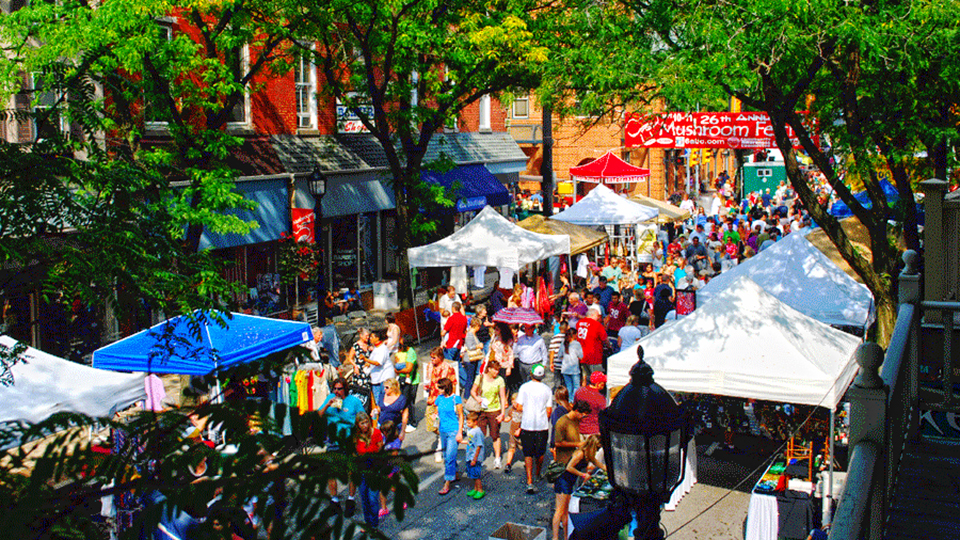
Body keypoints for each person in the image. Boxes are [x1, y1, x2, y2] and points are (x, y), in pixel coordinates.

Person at [318, 377, 364, 517]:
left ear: (345, 389)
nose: (336, 391)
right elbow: (318, 415)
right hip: (333, 441)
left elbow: (362, 418)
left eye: (339, 389)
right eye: (335, 389)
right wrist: (328, 405)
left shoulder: (354, 401)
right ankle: (334, 500)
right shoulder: (330, 398)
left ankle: (350, 500)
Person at [551, 402, 593, 540]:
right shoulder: (562, 422)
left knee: (566, 509)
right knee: (560, 509)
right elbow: (556, 443)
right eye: (582, 414)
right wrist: (577, 444)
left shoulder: (575, 421)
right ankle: (555, 538)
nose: (582, 417)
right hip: (563, 468)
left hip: (571, 467)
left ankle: (565, 536)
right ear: (576, 410)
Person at [515, 364, 553, 494]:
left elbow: (519, 407)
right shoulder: (547, 389)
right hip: (542, 425)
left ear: (531, 374)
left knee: (528, 453)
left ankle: (529, 480)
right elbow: (549, 411)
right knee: (540, 452)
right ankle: (537, 473)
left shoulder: (524, 387)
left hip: (527, 424)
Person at [429, 378, 463, 496]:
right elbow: (437, 412)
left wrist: (460, 431)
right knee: (447, 455)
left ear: (446, 388)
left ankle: (447, 483)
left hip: (453, 430)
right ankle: (456, 472)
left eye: (440, 387)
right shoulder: (439, 399)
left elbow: (461, 416)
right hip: (443, 430)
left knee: (449, 456)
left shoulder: (455, 399)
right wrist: (435, 416)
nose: (437, 389)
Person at [470, 360, 507, 469]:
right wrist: (477, 398)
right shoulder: (480, 378)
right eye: (495, 369)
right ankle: (479, 457)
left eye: (498, 370)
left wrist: (502, 413)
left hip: (494, 410)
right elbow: (473, 391)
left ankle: (497, 458)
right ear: (489, 369)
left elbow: (502, 396)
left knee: (495, 435)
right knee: (480, 434)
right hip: (482, 410)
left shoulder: (499, 380)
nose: (496, 372)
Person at [424, 346, 456, 461]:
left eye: (434, 358)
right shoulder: (429, 366)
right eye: (431, 357)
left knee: (440, 421)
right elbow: (427, 381)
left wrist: (451, 400)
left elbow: (453, 383)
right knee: (431, 423)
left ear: (440, 357)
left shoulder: (448, 368)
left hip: (443, 400)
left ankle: (440, 446)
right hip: (432, 398)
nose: (432, 360)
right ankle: (442, 436)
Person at [354, 411, 383, 528]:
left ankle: (374, 524)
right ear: (358, 425)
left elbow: (381, 450)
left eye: (366, 422)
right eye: (362, 423)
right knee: (364, 498)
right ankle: (367, 523)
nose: (365, 425)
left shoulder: (376, 433)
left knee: (372, 498)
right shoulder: (356, 436)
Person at [575, 307, 607, 385]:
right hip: (594, 356)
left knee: (585, 377)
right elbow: (605, 339)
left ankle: (585, 394)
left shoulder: (579, 323)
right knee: (597, 379)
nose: (598, 318)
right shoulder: (596, 324)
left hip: (582, 355)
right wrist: (609, 346)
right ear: (592, 315)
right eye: (597, 316)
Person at [394, 335, 419, 433]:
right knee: (405, 401)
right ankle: (406, 421)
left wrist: (398, 370)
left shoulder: (411, 353)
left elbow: (409, 368)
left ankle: (412, 422)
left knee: (409, 402)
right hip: (405, 379)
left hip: (412, 381)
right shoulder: (406, 351)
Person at [573, 372, 607, 436]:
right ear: (597, 384)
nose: (604, 384)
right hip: (594, 431)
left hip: (579, 429)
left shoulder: (579, 391)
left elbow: (574, 408)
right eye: (603, 382)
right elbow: (603, 415)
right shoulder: (600, 398)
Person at [464, 412, 486, 500]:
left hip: (475, 457)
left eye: (469, 423)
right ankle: (475, 489)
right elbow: (471, 442)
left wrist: (474, 459)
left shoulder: (478, 432)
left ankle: (480, 490)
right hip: (470, 455)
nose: (467, 424)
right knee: (472, 473)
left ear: (475, 422)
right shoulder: (471, 430)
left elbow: (478, 446)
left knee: (476, 475)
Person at [461, 316, 484, 396]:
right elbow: (470, 347)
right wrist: (479, 346)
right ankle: (467, 396)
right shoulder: (470, 335)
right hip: (469, 359)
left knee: (471, 378)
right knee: (470, 379)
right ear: (477, 326)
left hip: (472, 359)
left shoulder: (472, 334)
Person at [501, 392, 522, 474]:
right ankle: (508, 464)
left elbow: (527, 422)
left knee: (526, 448)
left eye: (516, 402)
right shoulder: (512, 410)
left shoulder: (524, 410)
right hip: (513, 433)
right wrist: (502, 418)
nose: (514, 404)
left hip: (522, 434)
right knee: (511, 448)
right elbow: (508, 418)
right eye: (512, 402)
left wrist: (520, 429)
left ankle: (530, 462)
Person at [559, 328, 583, 396]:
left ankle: (569, 401)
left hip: (565, 369)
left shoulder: (563, 343)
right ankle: (573, 401)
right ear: (574, 335)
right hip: (574, 370)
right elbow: (581, 356)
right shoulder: (577, 344)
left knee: (569, 387)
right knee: (576, 387)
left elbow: (559, 355)